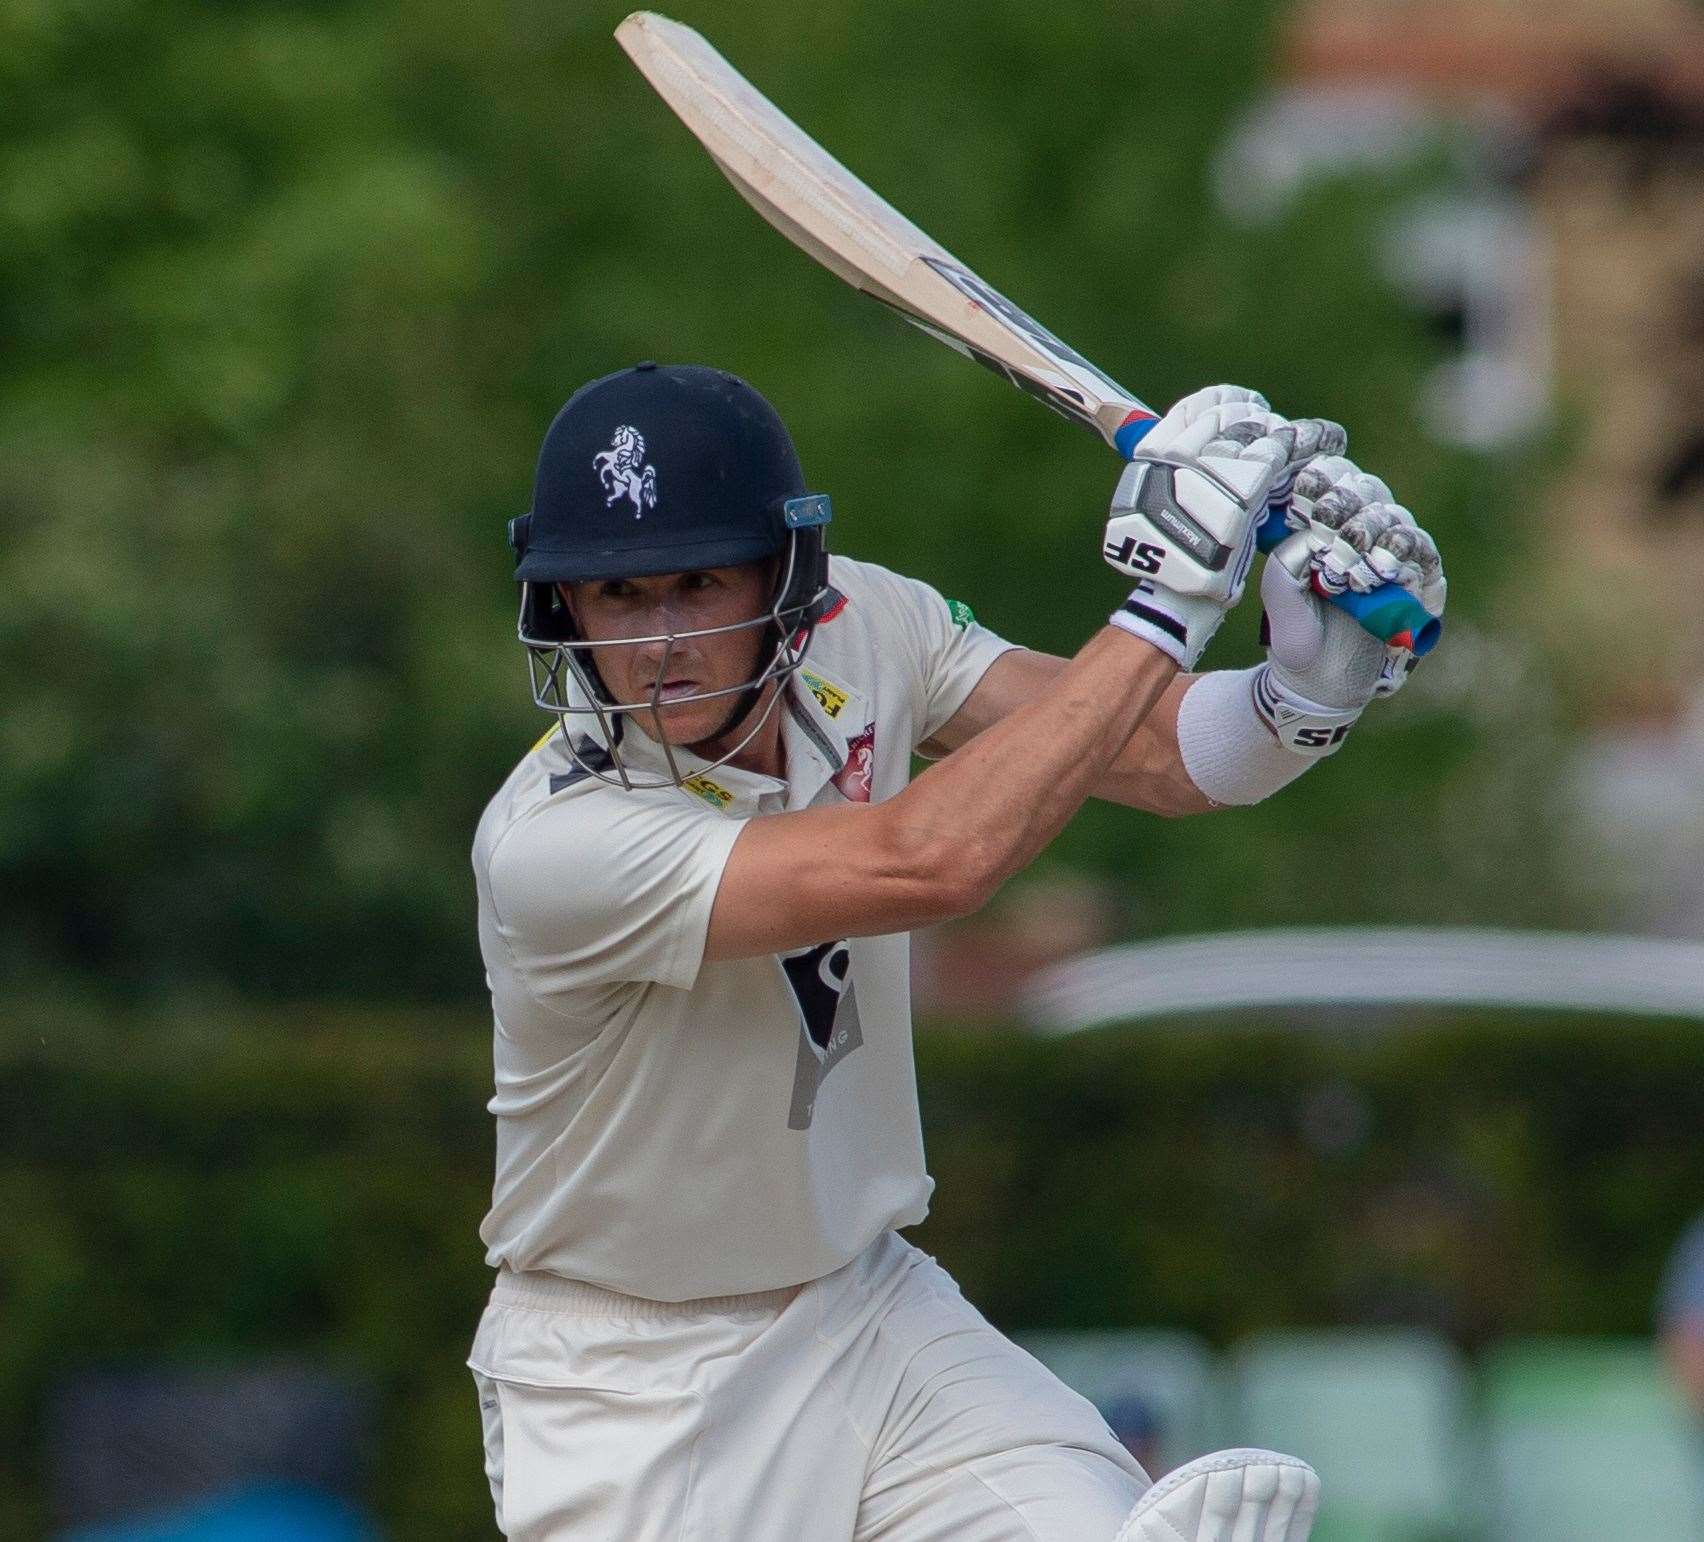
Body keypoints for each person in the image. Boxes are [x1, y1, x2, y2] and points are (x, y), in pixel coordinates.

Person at [466, 363, 1445, 1541]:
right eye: (619, 594)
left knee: (1102, 1526)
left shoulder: (866, 625)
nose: (665, 641)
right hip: (628, 1382)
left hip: (865, 1313)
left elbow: (1142, 752)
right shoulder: (556, 845)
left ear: (784, 577)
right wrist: (1173, 600)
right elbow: (929, 860)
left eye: (699, 583)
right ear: (562, 605)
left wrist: (1303, 694)